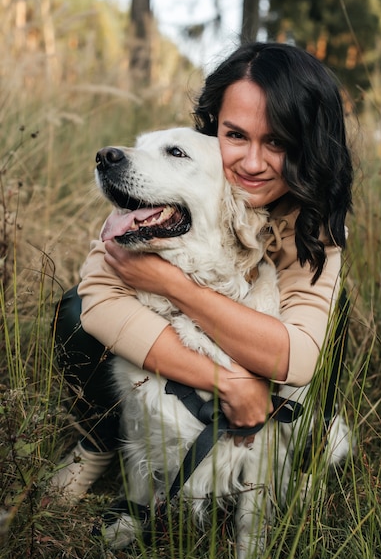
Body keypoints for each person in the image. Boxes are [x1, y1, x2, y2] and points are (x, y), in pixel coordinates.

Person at [51, 41, 354, 502]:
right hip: (201, 364)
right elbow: (97, 295)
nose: (252, 163)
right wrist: (225, 382)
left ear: (306, 146)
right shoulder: (173, 189)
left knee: (333, 314)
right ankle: (100, 439)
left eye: (276, 142)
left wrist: (169, 284)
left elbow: (296, 358)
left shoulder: (315, 225)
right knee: (73, 309)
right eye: (235, 135)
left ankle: (308, 448)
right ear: (215, 130)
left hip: (281, 352)